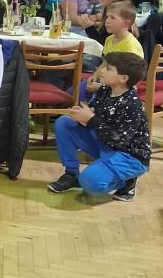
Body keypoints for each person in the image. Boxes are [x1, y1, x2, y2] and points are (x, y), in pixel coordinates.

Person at [48, 53, 149, 202]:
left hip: (130, 156)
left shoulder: (132, 104)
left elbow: (119, 140)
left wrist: (90, 119)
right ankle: (71, 174)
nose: (101, 70)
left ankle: (127, 182)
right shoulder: (105, 90)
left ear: (123, 78)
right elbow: (94, 115)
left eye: (108, 68)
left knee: (89, 182)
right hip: (106, 144)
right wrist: (81, 114)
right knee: (65, 123)